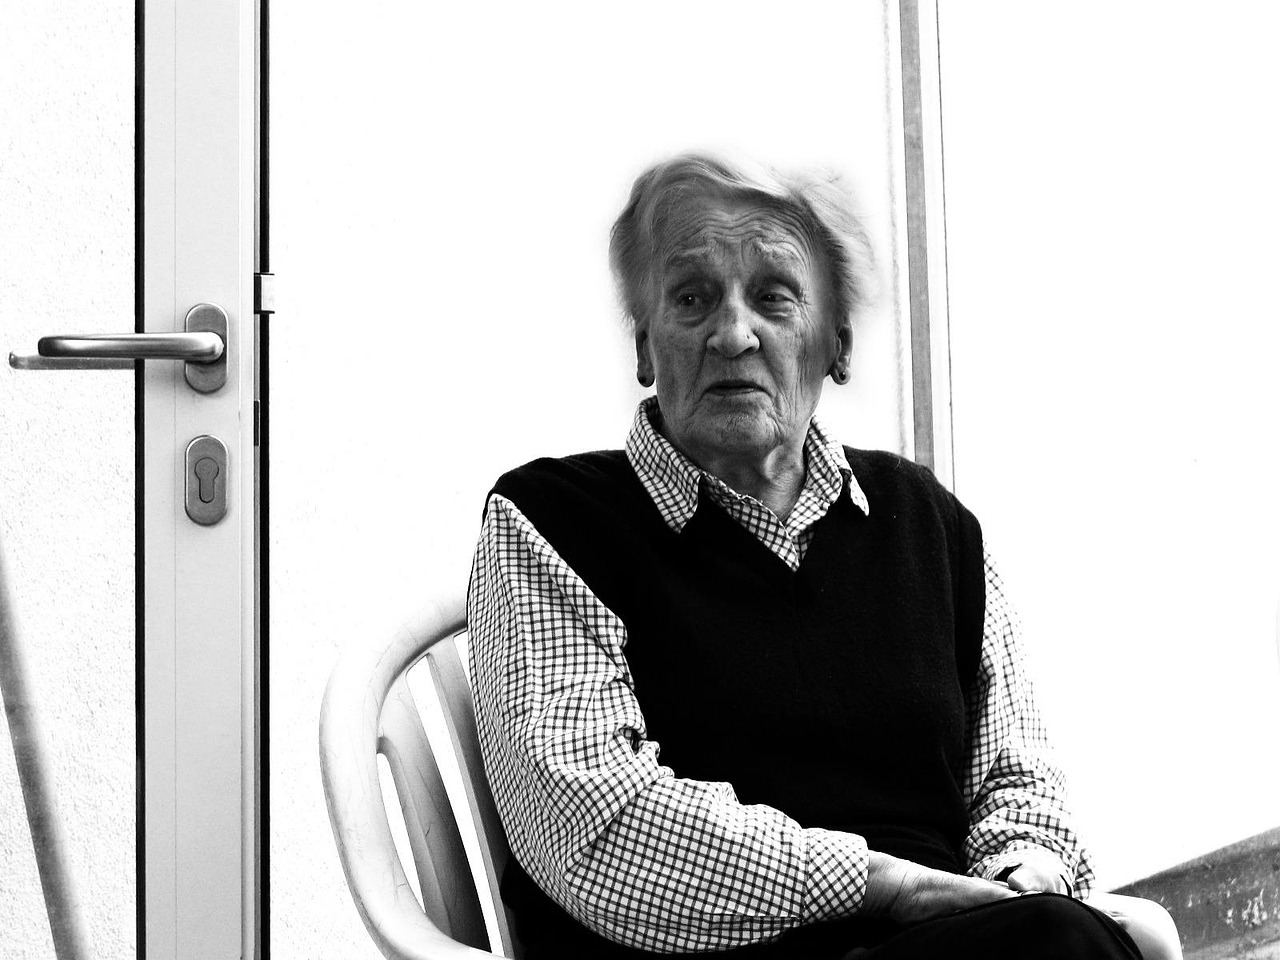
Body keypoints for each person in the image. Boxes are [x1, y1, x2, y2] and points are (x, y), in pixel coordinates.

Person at [465, 154, 1175, 959]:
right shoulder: (551, 524)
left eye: (774, 296)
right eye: (692, 298)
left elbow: (1018, 780)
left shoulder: (928, 524)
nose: (733, 334)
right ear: (645, 346)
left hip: (956, 947)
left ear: (837, 344)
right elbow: (594, 825)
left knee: (1055, 933)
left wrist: (1020, 874)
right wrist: (887, 886)